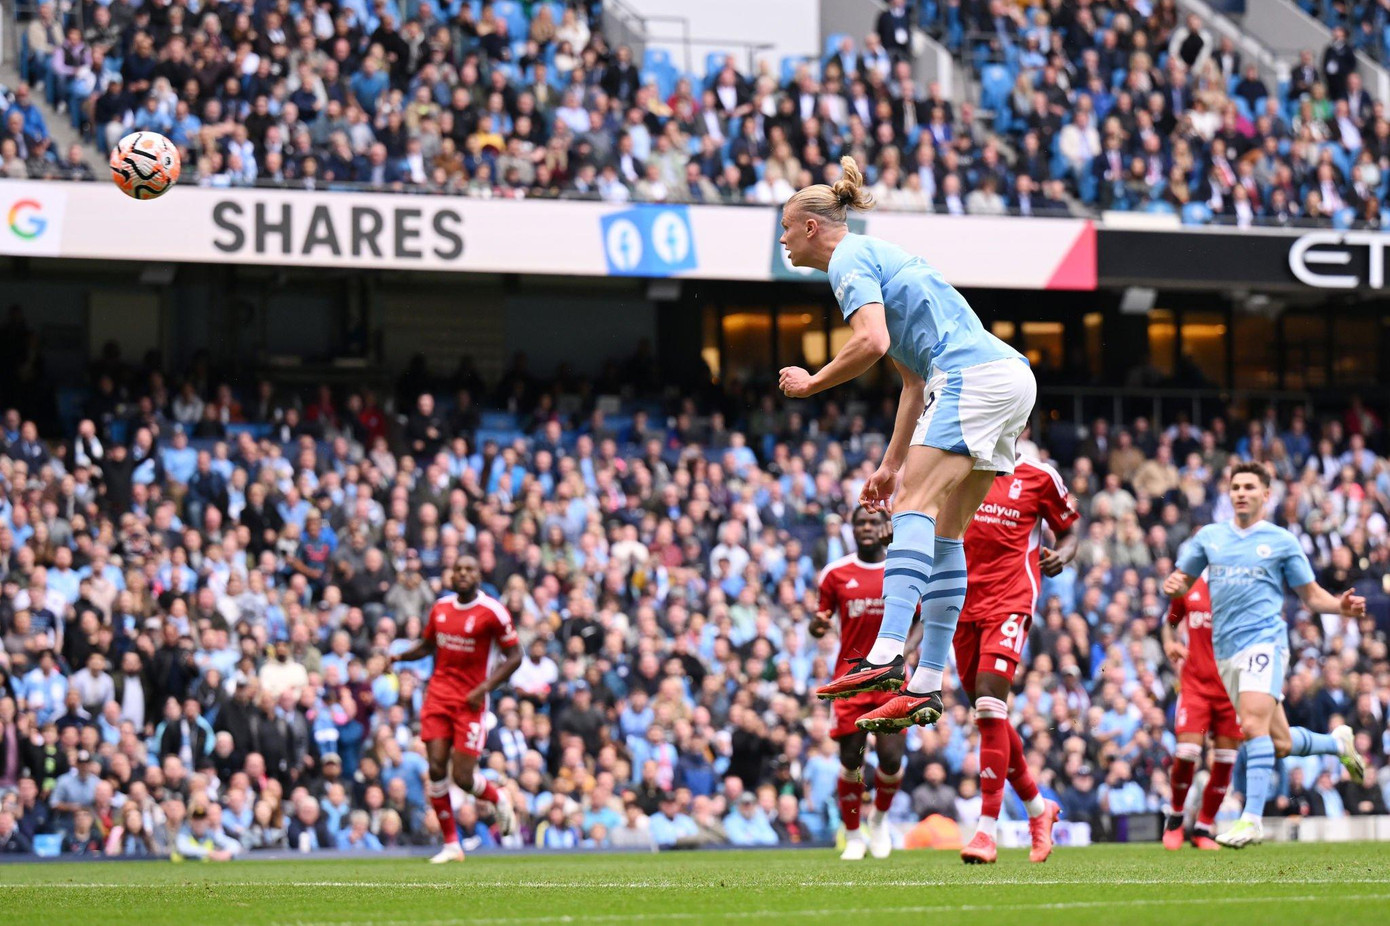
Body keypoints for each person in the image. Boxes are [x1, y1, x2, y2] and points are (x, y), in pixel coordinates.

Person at [779, 155, 1036, 730]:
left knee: (913, 510)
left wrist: (814, 382)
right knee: (946, 529)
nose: (784, 238)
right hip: (1007, 379)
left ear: (812, 227)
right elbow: (912, 382)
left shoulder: (847, 259)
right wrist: (891, 464)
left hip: (971, 377)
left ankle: (886, 651)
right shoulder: (875, 256)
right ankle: (926, 682)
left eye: (787, 227)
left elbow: (869, 341)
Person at [1164, 462, 1368, 848]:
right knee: (1279, 742)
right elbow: (1181, 583)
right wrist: (1172, 583)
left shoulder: (1281, 541)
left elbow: (1309, 595)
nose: (1241, 492)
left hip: (1264, 644)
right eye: (1236, 486)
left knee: (1253, 727)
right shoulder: (1209, 537)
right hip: (1225, 654)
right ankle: (1337, 743)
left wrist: (1339, 607)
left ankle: (1251, 819)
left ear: (1265, 495)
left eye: (1249, 487)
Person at [955, 456, 1078, 864]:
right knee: (989, 715)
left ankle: (985, 832)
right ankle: (1040, 810)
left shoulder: (1040, 475)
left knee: (990, 703)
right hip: (958, 600)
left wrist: (1064, 554)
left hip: (1011, 600)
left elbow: (1069, 531)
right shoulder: (956, 463)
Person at [389, 557, 522, 863]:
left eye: (469, 569)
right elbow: (427, 645)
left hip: (471, 702)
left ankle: (497, 796)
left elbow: (515, 656)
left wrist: (484, 688)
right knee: (435, 767)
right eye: (458, 569)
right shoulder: (440, 608)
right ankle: (451, 844)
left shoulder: (493, 612)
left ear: (478, 575)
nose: (462, 574)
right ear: (451, 575)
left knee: (462, 777)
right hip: (437, 696)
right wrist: (400, 658)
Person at [811, 506, 915, 860]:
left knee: (889, 759)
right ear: (852, 530)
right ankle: (854, 835)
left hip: (891, 682)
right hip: (851, 681)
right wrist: (817, 626)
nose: (867, 528)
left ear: (885, 527)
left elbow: (921, 621)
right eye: (860, 523)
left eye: (873, 522)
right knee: (851, 762)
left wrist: (902, 651)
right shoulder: (835, 574)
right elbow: (821, 617)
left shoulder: (901, 570)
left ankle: (881, 820)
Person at [1159, 574, 1237, 851]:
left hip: (1231, 688)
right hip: (1196, 687)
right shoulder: (1190, 586)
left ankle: (1204, 827)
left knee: (1226, 759)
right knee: (1186, 753)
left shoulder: (1243, 588)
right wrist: (1170, 643)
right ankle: (1176, 816)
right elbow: (1169, 623)